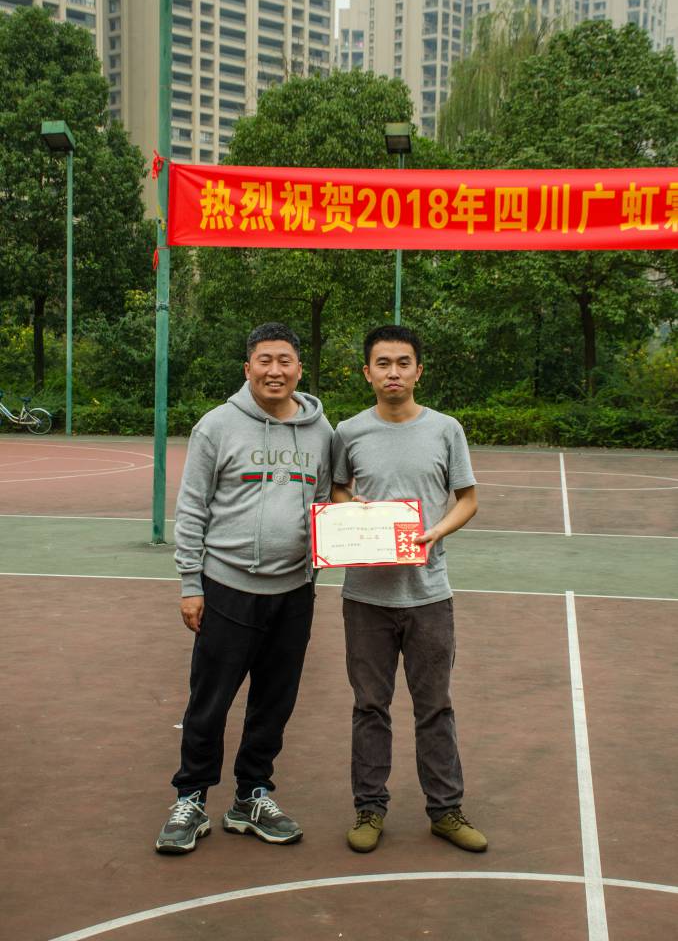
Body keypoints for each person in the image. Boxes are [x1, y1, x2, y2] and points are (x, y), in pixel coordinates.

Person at [156, 322, 333, 854]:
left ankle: (251, 796)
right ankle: (191, 798)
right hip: (226, 587)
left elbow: (325, 506)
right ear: (247, 368)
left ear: (299, 368)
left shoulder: (322, 432)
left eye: (285, 360)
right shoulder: (216, 426)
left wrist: (317, 567)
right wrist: (191, 582)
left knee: (274, 702)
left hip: (294, 592)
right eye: (264, 360)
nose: (274, 370)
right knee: (209, 701)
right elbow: (192, 507)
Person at [331, 324, 487, 854]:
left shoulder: (445, 429)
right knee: (370, 708)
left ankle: (445, 811)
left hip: (429, 595)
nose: (393, 372)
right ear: (367, 372)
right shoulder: (348, 431)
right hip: (365, 597)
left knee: (435, 707)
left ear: (419, 370)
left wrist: (436, 531)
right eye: (383, 363)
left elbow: (467, 499)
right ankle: (369, 809)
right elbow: (338, 489)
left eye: (403, 363)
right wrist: (354, 511)